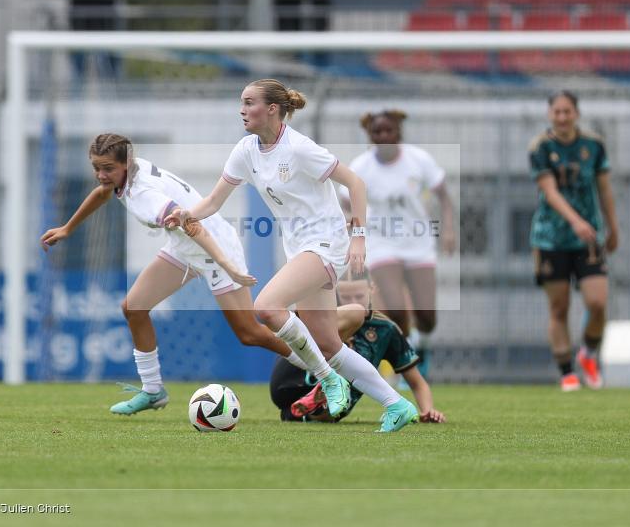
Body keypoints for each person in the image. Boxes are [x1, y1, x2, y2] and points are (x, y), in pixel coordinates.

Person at [169, 78, 419, 432]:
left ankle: (327, 380)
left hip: (327, 243)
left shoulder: (300, 148)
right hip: (302, 248)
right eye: (241, 102)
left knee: (266, 307)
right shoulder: (245, 150)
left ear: (272, 109)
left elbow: (356, 183)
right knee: (329, 344)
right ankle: (397, 405)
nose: (242, 109)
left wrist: (359, 238)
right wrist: (187, 214)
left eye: (249, 102)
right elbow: (212, 202)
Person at [40, 133, 351, 417]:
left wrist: (227, 266)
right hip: (183, 249)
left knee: (250, 333)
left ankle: (327, 373)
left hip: (215, 248)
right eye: (96, 167)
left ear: (125, 163)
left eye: (107, 168)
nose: (101, 175)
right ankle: (152, 390)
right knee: (133, 307)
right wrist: (68, 227)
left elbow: (195, 227)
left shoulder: (146, 196)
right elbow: (103, 192)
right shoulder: (126, 175)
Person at [342, 109, 455, 378]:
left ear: (398, 133)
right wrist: (352, 225)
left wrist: (449, 229)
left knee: (427, 317)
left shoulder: (419, 160)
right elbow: (345, 202)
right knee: (394, 308)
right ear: (370, 135)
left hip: (418, 243)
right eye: (377, 132)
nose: (383, 136)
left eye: (388, 131)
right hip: (381, 242)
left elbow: (444, 197)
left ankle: (421, 348)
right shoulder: (361, 167)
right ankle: (408, 363)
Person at [528, 91, 619, 392]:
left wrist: (612, 227)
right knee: (559, 307)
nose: (563, 117)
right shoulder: (540, 148)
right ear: (550, 114)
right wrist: (575, 221)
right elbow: (550, 192)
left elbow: (604, 189)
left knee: (597, 302)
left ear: (576, 113)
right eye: (557, 111)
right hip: (551, 239)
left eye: (568, 111)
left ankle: (589, 354)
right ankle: (567, 372)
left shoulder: (593, 145)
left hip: (589, 238)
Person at [270, 269, 445, 424]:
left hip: (311, 413)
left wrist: (428, 410)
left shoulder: (386, 330)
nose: (353, 301)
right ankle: (325, 383)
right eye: (346, 296)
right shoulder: (323, 317)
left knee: (330, 410)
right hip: (290, 381)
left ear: (372, 289)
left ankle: (318, 401)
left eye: (358, 296)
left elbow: (417, 383)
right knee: (350, 315)